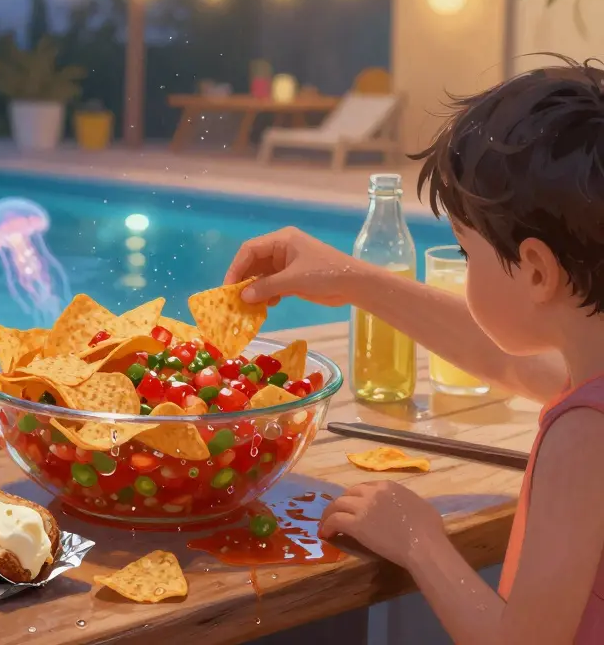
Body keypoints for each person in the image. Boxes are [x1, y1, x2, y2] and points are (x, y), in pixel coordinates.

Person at [223, 57, 604, 644]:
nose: (463, 264)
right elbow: (508, 359)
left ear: (535, 271)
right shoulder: (590, 373)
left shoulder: (583, 437)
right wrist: (353, 279)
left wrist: (418, 540)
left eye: (465, 251)